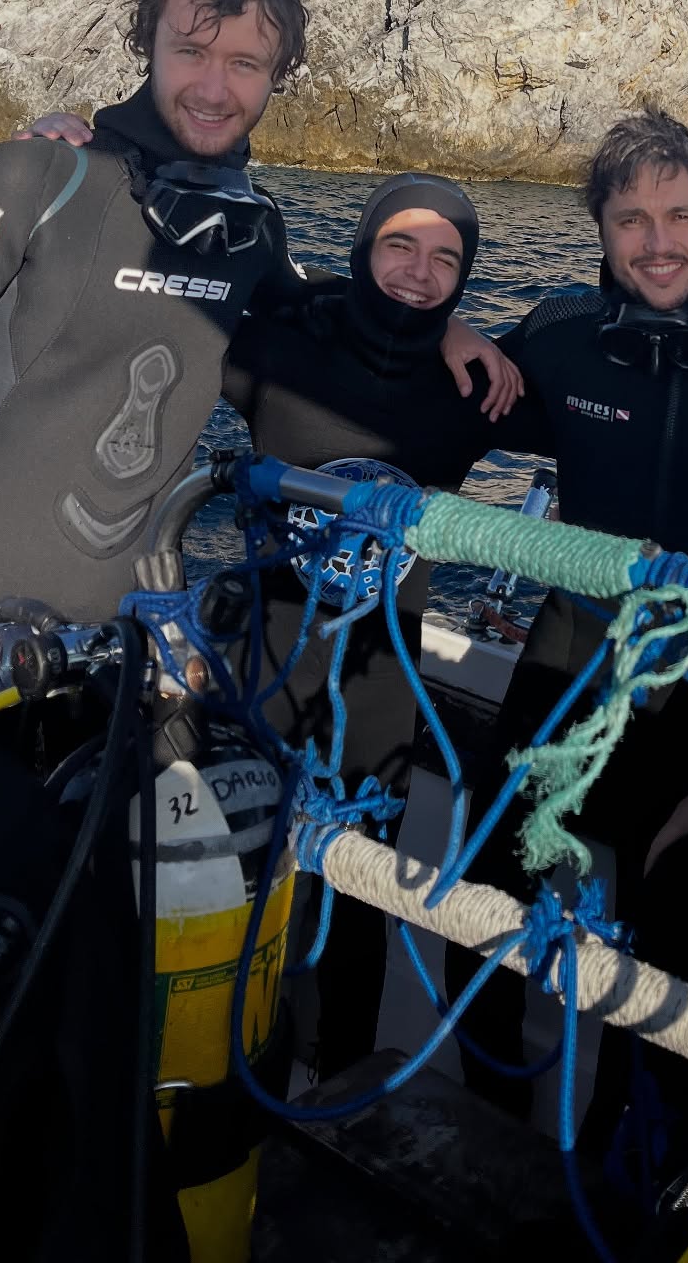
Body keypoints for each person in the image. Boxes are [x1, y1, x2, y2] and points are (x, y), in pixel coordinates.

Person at [443, 108, 688, 1130]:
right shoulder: (564, 333)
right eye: (632, 219)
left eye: (681, 214)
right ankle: (489, 1118)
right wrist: (443, 325)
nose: (658, 241)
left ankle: (650, 1162)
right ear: (601, 230)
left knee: (671, 909)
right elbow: (459, 385)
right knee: (487, 871)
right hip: (578, 640)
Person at [0, 0, 311, 774]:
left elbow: (337, 341)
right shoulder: (40, 178)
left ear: (277, 78)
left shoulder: (255, 238)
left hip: (113, 657)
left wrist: (440, 322)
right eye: (191, 51)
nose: (214, 87)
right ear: (147, 39)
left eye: (246, 65)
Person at [222, 171, 523, 1076]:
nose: (420, 273)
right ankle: (236, 1061)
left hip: (381, 679)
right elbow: (205, 287)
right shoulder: (274, 349)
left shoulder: (473, 387)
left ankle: (342, 1068)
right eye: (400, 245)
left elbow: (614, 403)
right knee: (246, 879)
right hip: (268, 660)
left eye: (447, 259)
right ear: (361, 247)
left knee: (361, 888)